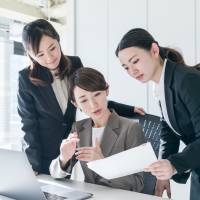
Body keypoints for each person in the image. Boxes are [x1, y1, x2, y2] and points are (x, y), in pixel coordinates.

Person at [17, 19, 145, 175]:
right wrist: (32, 165)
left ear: (58, 40)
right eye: (40, 54)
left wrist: (129, 109)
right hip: (43, 153)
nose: (50, 58)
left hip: (72, 147)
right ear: (30, 55)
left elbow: (90, 97)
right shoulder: (25, 78)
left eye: (52, 48)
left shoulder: (74, 63)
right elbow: (28, 125)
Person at [115, 28, 200, 200]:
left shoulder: (185, 80)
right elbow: (169, 131)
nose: (132, 71)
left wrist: (174, 165)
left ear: (154, 50)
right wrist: (163, 173)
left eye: (135, 61)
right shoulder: (162, 84)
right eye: (126, 67)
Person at [50, 67, 145, 192]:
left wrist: (103, 164)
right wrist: (64, 158)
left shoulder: (130, 128)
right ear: (75, 104)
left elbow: (137, 184)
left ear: (107, 90)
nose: (93, 104)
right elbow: (56, 174)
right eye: (83, 100)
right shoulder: (78, 128)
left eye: (97, 94)